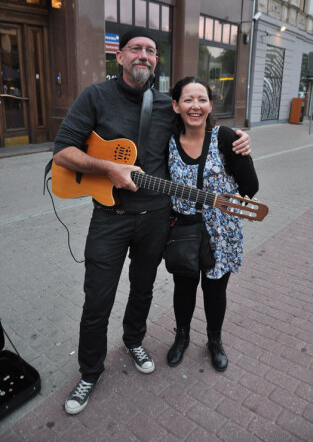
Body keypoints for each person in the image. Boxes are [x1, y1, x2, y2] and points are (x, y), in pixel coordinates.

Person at [53, 28, 251, 415]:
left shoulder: (166, 105)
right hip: (109, 217)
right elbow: (63, 152)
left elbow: (202, 130)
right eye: (135, 49)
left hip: (156, 217)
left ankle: (134, 338)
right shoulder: (96, 96)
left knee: (143, 290)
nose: (143, 55)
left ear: (156, 61)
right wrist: (108, 167)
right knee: (98, 299)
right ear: (120, 55)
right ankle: (90, 372)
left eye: (150, 50)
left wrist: (240, 140)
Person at [166, 76, 259, 372]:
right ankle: (181, 338)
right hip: (183, 229)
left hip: (222, 231)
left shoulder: (226, 138)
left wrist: (244, 148)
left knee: (215, 290)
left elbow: (250, 187)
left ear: (210, 105)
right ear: (176, 105)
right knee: (183, 288)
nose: (195, 106)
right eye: (188, 100)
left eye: (201, 99)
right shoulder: (167, 141)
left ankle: (214, 340)